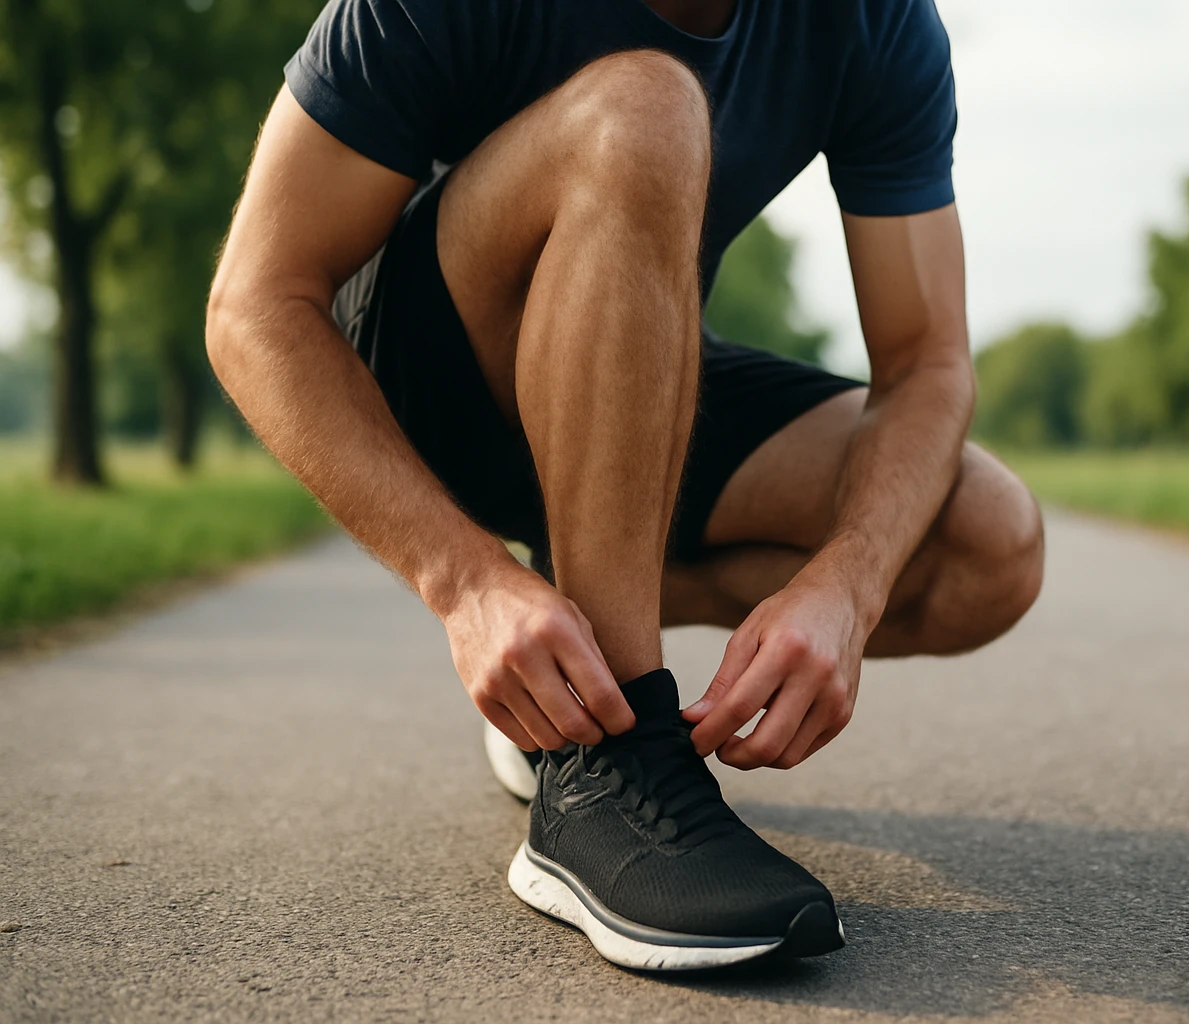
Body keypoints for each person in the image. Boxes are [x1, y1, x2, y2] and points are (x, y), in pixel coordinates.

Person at [207, 0, 1044, 972]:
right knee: (646, 105)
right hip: (425, 393)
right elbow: (255, 304)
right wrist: (465, 579)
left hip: (625, 366)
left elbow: (927, 363)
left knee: (988, 539)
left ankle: (570, 673)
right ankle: (607, 765)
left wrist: (849, 586)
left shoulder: (872, 19)